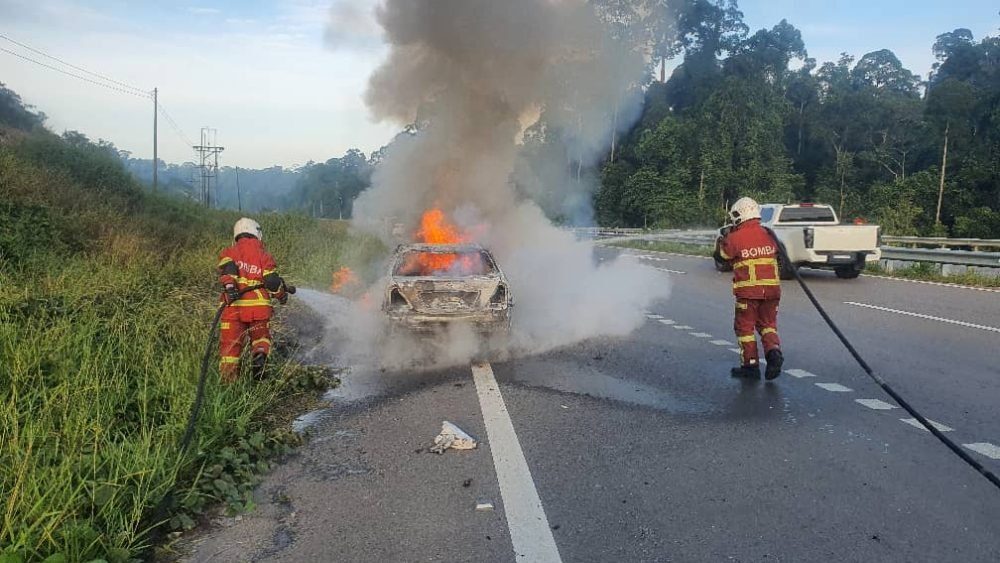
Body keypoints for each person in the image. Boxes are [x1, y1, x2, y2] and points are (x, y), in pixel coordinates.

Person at [716, 197, 784, 380]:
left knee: (744, 328)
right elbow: (779, 254)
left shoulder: (735, 237)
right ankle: (773, 353)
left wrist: (723, 238)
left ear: (739, 215)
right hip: (772, 291)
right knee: (768, 325)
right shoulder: (768, 234)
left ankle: (750, 366)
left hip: (749, 293)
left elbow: (722, 257)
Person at [217, 218, 291, 383]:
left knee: (230, 347)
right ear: (257, 233)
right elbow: (272, 282)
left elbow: (228, 270)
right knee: (261, 338)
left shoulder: (229, 252)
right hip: (258, 308)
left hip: (233, 308)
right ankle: (259, 359)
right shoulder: (263, 256)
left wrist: (230, 287)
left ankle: (228, 385)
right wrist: (281, 295)